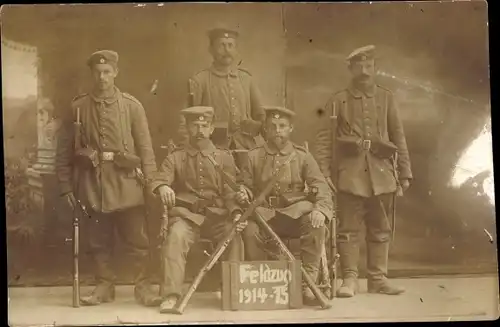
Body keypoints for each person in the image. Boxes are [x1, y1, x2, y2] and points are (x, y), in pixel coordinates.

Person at [55, 50, 161, 306]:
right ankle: (104, 286)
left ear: (116, 73)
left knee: (137, 240)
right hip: (93, 183)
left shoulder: (131, 106)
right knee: (98, 239)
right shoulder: (78, 106)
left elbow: (145, 149)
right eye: (98, 73)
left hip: (127, 182)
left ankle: (143, 287)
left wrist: (152, 183)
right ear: (92, 74)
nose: (102, 78)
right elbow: (64, 150)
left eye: (107, 72)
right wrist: (65, 186)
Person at [314, 45, 413, 298]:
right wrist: (324, 173)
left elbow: (398, 136)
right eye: (359, 66)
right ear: (350, 69)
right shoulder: (338, 100)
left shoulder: (386, 98)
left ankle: (378, 279)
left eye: (369, 66)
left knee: (381, 228)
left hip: (382, 174)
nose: (364, 71)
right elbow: (325, 138)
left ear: (375, 68)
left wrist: (404, 173)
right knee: (348, 229)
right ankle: (349, 279)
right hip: (350, 174)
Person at [149, 106, 246, 314]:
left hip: (218, 216)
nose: (200, 130)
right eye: (195, 125)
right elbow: (159, 179)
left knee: (234, 235)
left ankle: (231, 291)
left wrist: (237, 212)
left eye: (204, 126)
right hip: (188, 217)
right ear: (188, 128)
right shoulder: (176, 157)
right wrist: (163, 186)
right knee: (176, 236)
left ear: (211, 129)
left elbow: (230, 191)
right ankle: (171, 295)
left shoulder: (224, 157)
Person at [236, 106, 333, 305]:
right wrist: (242, 193)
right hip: (265, 217)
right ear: (266, 129)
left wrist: (321, 210)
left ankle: (308, 285)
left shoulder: (302, 156)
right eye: (273, 126)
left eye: (282, 126)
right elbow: (243, 185)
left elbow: (320, 186)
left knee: (315, 224)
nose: (277, 130)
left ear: (291, 129)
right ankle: (269, 284)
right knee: (249, 231)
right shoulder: (253, 156)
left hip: (295, 216)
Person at [179, 26, 266, 169]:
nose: (226, 50)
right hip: (211, 149)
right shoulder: (199, 80)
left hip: (245, 149)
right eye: (221, 45)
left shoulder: (246, 79)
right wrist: (187, 150)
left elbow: (261, 115)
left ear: (236, 49)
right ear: (211, 49)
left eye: (230, 45)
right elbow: (184, 120)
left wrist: (255, 127)